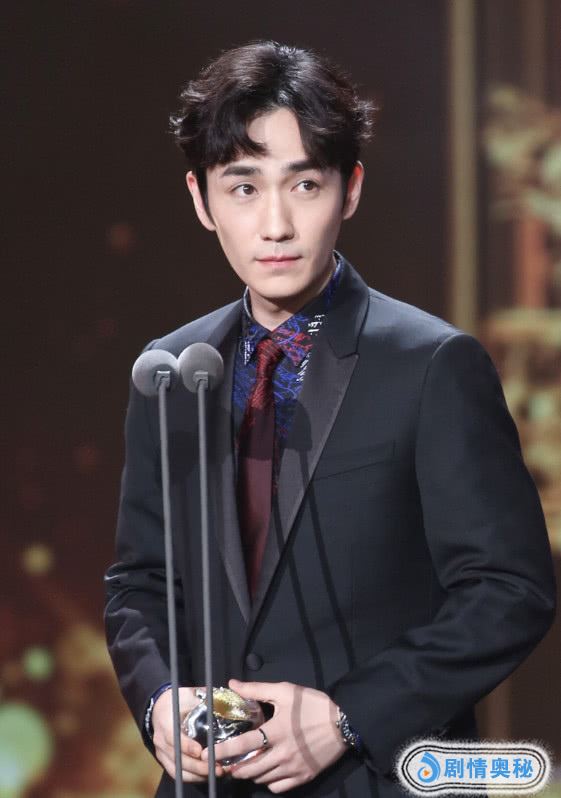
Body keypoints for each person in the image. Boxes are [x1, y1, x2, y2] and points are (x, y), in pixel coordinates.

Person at [104, 40, 556, 798]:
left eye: (304, 184)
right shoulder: (172, 370)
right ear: (201, 200)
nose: (275, 224)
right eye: (242, 188)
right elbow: (140, 580)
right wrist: (159, 702)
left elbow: (509, 590)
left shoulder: (432, 364)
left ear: (350, 190)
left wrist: (349, 717)